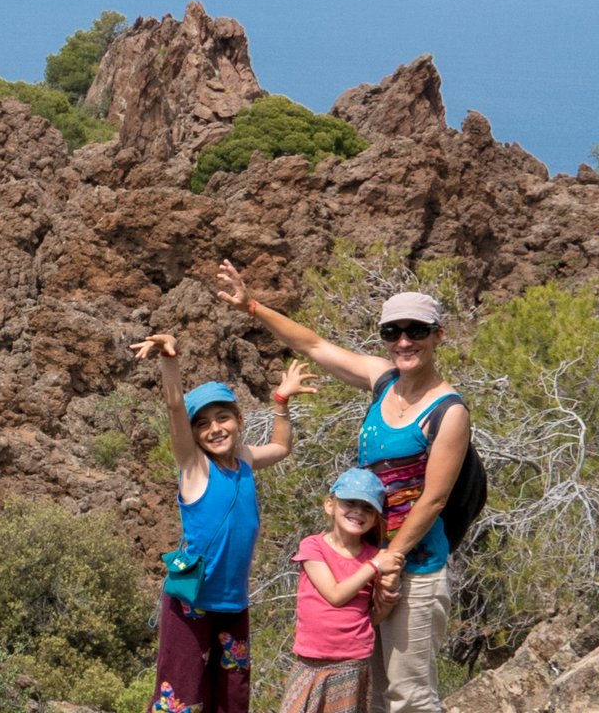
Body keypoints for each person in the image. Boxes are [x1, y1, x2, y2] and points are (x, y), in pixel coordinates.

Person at [211, 260, 470, 713]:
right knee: (369, 694)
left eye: (417, 330)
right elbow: (312, 345)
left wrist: (394, 558)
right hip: (368, 562)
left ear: (438, 335)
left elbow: (434, 499)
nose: (404, 342)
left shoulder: (448, 412)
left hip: (416, 566)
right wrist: (252, 306)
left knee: (410, 697)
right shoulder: (382, 379)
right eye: (393, 332)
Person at [131, 334, 313, 713]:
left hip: (233, 603)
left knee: (231, 694)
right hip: (190, 602)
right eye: (203, 424)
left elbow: (280, 448)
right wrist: (170, 361)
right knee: (180, 695)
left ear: (239, 420)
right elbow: (175, 408)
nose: (214, 429)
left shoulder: (244, 460)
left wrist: (281, 401)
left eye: (223, 417)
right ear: (194, 435)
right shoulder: (195, 467)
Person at [282, 469, 390, 713]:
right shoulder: (313, 546)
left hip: (352, 662)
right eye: (350, 502)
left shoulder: (373, 556)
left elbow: (370, 616)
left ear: (375, 518)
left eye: (368, 507)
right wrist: (375, 567)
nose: (358, 511)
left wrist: (388, 602)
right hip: (310, 660)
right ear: (330, 505)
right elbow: (335, 595)